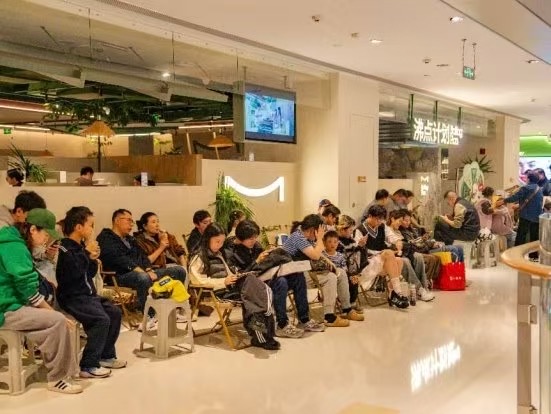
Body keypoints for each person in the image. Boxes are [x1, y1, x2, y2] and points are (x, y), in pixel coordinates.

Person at [0, 208, 82, 394]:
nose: (47, 238)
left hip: (10, 303)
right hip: (5, 308)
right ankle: (58, 378)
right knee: (57, 320)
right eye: (45, 233)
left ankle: (63, 370)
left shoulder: (12, 242)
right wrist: (51, 312)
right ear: (32, 230)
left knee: (55, 316)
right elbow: (27, 287)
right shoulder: (14, 246)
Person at [56, 206, 126, 379]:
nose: (92, 229)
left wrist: (92, 259)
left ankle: (105, 355)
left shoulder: (80, 247)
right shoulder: (65, 248)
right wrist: (87, 253)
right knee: (100, 320)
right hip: (72, 297)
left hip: (88, 296)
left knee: (114, 313)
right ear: (79, 227)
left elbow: (88, 273)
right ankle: (88, 365)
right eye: (91, 225)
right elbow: (72, 273)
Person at [189, 223, 279, 350]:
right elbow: (196, 281)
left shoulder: (219, 254)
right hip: (214, 292)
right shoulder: (199, 257)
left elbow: (228, 273)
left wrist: (235, 276)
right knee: (254, 293)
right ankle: (266, 310)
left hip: (228, 288)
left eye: (222, 242)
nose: (220, 245)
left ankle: (263, 335)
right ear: (207, 239)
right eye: (217, 241)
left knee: (251, 288)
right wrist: (223, 281)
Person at [96, 209, 187, 322]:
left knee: (179, 271)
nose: (131, 224)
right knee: (143, 278)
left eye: (132, 221)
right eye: (128, 220)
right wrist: (145, 272)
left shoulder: (130, 239)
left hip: (141, 272)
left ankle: (173, 312)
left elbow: (143, 256)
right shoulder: (106, 237)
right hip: (119, 276)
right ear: (117, 221)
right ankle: (150, 316)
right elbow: (121, 260)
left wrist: (148, 269)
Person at [227, 220, 306, 338]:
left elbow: (263, 265)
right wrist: (256, 261)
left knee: (298, 276)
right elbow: (238, 276)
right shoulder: (230, 251)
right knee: (281, 282)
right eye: (251, 238)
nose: (254, 241)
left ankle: (304, 319)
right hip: (247, 286)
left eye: (255, 237)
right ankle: (282, 324)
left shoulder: (256, 245)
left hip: (264, 278)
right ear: (240, 237)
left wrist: (271, 256)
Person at [284, 214, 349, 328]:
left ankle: (346, 309)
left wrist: (332, 264)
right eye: (320, 231)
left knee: (341, 272)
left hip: (306, 271)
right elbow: (315, 255)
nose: (321, 234)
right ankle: (329, 317)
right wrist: (319, 238)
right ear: (312, 230)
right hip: (296, 276)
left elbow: (319, 253)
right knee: (330, 277)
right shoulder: (298, 237)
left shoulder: (305, 236)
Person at [350, 208, 409, 308]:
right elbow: (357, 252)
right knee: (388, 253)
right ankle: (398, 292)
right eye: (377, 219)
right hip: (367, 262)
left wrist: (398, 242)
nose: (380, 221)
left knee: (399, 260)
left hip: (381, 260)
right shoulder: (359, 230)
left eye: (381, 219)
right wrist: (378, 252)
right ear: (370, 216)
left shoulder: (382, 226)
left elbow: (392, 237)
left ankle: (392, 294)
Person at [385, 210, 435, 302]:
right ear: (392, 219)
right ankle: (419, 289)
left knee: (418, 256)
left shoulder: (397, 231)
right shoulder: (386, 229)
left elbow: (403, 245)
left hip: (404, 253)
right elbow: (391, 244)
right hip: (393, 255)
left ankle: (424, 288)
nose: (400, 223)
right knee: (406, 261)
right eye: (399, 221)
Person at [322, 230, 364, 321]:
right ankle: (345, 308)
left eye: (335, 242)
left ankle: (349, 305)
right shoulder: (322, 255)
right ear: (324, 242)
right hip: (328, 277)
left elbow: (345, 268)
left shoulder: (340, 256)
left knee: (352, 280)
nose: (332, 244)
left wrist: (351, 276)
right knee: (338, 275)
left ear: (338, 243)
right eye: (329, 242)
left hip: (341, 276)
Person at [504, 171, 543, 246]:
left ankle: (517, 251)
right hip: (537, 217)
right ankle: (534, 253)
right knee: (534, 238)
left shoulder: (526, 188)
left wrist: (504, 200)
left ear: (528, 179)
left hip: (526, 216)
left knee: (521, 236)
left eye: (526, 177)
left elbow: (514, 198)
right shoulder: (539, 189)